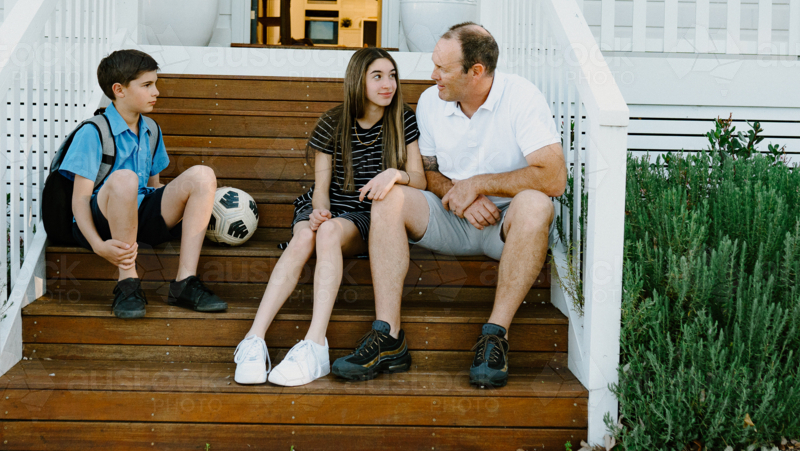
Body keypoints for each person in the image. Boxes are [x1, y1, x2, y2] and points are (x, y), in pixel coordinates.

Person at [331, 23, 566, 387]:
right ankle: (388, 337)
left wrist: (476, 186)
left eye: (443, 68)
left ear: (476, 72)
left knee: (536, 205)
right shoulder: (431, 102)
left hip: (506, 224)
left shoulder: (521, 97)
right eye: (434, 65)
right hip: (450, 214)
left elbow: (553, 177)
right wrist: (458, 196)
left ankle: (495, 336)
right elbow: (428, 172)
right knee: (389, 198)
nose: (433, 75)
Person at [233, 48, 426, 386]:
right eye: (377, 76)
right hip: (330, 206)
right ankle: (253, 339)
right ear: (358, 81)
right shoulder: (332, 122)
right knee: (308, 233)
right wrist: (319, 212)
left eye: (392, 75)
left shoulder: (403, 119)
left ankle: (315, 343)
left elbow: (420, 180)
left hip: (368, 215)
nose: (388, 84)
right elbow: (321, 187)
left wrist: (395, 174)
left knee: (328, 233)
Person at [59, 49, 226, 319]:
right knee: (126, 178)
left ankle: (185, 283)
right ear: (119, 90)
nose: (156, 92)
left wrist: (194, 204)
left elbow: (155, 186)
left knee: (202, 175)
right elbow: (79, 201)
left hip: (141, 216)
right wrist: (98, 246)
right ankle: (127, 283)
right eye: (147, 85)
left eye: (155, 84)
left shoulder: (151, 129)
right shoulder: (93, 132)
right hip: (102, 221)